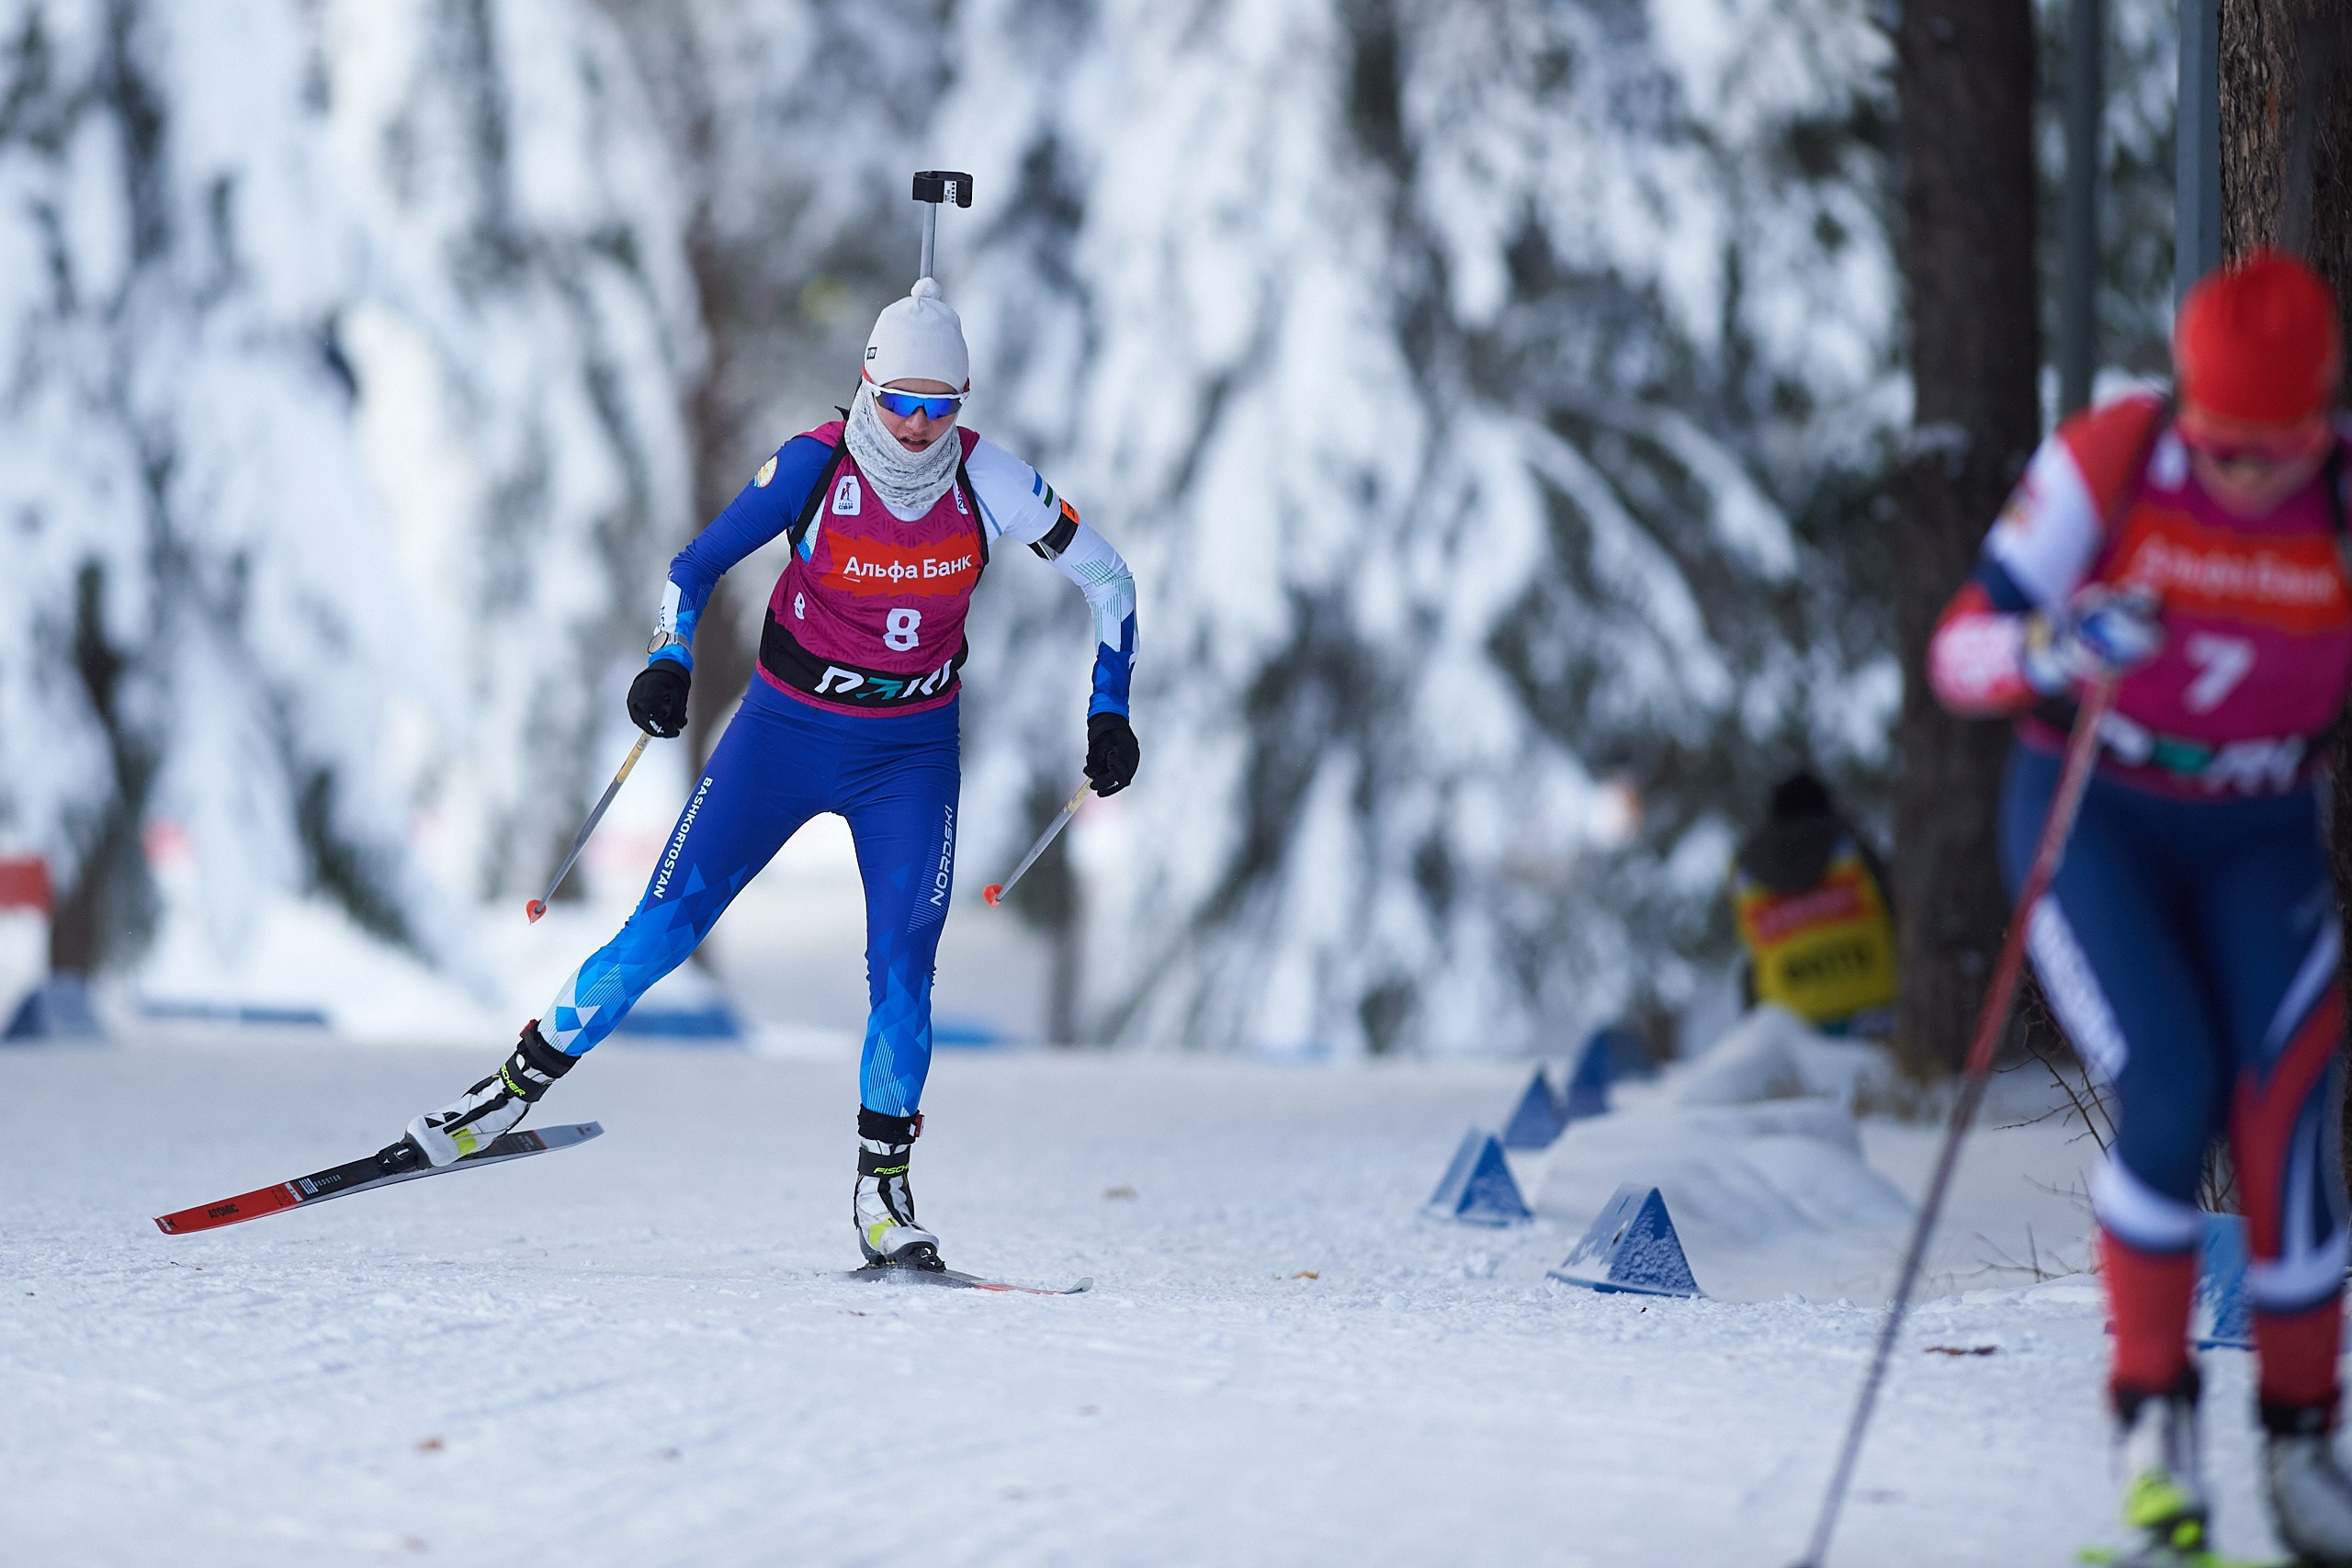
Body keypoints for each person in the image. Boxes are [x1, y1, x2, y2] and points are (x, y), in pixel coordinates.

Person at [394, 276, 1140, 1271]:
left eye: (940, 408)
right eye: (900, 404)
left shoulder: (988, 480)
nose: (917, 430)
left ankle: (884, 1198)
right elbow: (691, 568)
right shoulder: (812, 467)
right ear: (867, 386)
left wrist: (1109, 709)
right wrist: (670, 655)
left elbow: (1108, 578)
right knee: (659, 931)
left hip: (909, 753)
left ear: (963, 405)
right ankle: (503, 1095)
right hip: (783, 733)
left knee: (905, 972)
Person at [1928, 250, 2352, 1565]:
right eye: (2222, 450)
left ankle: (2302, 1446)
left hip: (2262, 826)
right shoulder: (2111, 458)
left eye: (2273, 452)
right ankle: (2156, 1437)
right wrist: (2055, 645)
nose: (2246, 480)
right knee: (2171, 1083)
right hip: (2094, 812)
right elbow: (1958, 651)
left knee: (2288, 1105)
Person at [1725, 770, 1896, 1039]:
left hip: (1791, 1025)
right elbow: (1896, 909)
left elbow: (1750, 946)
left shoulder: (1745, 869)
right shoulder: (1850, 846)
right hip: (1876, 1013)